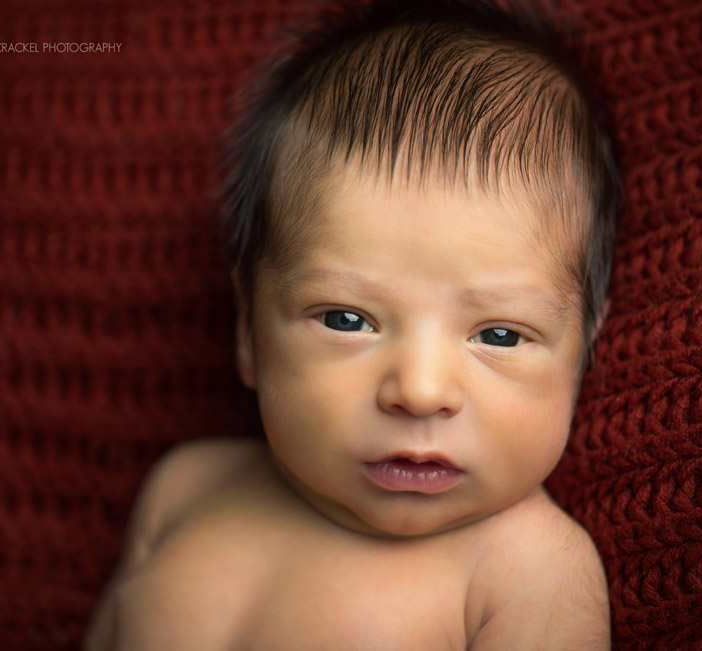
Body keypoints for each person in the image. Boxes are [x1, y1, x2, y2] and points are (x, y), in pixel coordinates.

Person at [86, 0, 621, 647]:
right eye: (347, 319)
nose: (420, 389)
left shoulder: (526, 570)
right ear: (248, 331)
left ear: (584, 348)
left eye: (500, 335)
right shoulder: (185, 489)